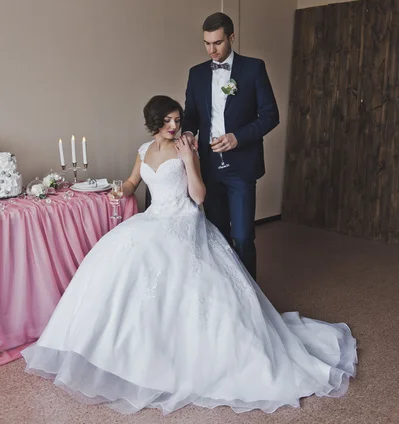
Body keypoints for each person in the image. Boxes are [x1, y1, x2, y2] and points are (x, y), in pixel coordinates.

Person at [22, 96, 357, 415]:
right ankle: (118, 350)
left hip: (184, 218)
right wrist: (118, 190)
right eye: (167, 120)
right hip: (155, 217)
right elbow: (133, 182)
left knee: (160, 257)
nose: (174, 125)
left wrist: (188, 159)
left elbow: (198, 196)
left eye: (177, 120)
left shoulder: (185, 149)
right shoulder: (144, 150)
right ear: (154, 122)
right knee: (117, 251)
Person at [183, 12, 279, 279]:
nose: (212, 49)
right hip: (209, 166)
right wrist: (189, 133)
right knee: (218, 235)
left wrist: (238, 137)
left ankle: (251, 299)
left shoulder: (254, 68)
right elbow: (190, 113)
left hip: (242, 166)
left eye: (218, 42)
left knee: (243, 236)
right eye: (206, 43)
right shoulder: (197, 74)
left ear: (232, 37)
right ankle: (226, 297)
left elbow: (271, 115)